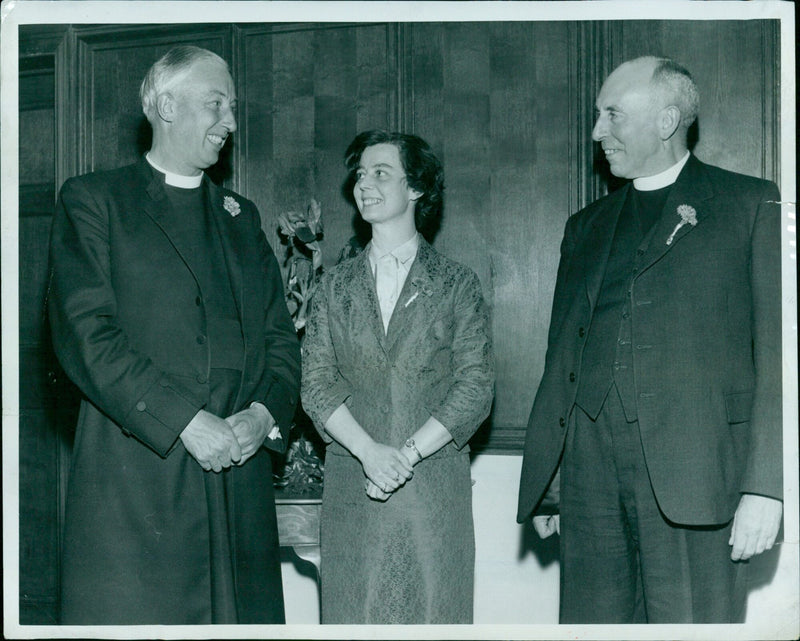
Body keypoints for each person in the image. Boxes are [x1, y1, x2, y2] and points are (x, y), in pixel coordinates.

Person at [517, 56, 783, 623]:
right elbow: (563, 355)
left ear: (666, 121)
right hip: (589, 477)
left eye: (612, 115)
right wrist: (552, 480)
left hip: (696, 472)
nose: (597, 132)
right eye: (598, 116)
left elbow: (781, 359)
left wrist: (767, 488)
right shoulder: (584, 226)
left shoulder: (751, 205)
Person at [48, 45, 301, 624]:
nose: (230, 123)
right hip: (138, 476)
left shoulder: (244, 217)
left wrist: (263, 415)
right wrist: (186, 421)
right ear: (166, 105)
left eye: (232, 108)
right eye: (216, 105)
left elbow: (281, 342)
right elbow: (87, 338)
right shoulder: (94, 202)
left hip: (239, 480)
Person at [301, 130, 494, 624]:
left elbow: (474, 388)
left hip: (432, 491)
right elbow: (316, 384)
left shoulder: (457, 284)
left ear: (417, 188)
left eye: (380, 173)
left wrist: (405, 455)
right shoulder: (331, 287)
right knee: (351, 618)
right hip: (353, 493)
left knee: (435, 618)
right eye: (360, 175)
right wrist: (369, 453)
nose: (364, 184)